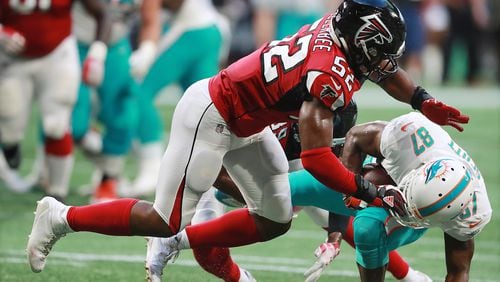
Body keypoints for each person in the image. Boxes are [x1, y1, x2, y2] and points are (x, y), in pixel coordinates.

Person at [26, 0, 469, 279]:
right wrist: (367, 192)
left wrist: (422, 100)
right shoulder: (327, 73)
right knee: (164, 219)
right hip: (212, 113)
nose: (386, 63)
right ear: (360, 40)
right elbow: (316, 159)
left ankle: (194, 235)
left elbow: (385, 71)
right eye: (378, 49)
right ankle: (61, 217)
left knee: (275, 218)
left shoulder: (338, 33)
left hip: (248, 122)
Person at [340, 111, 491, 281]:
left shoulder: (473, 212)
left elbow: (458, 272)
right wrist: (350, 189)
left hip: (419, 192)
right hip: (386, 168)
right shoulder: (408, 138)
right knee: (366, 228)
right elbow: (354, 136)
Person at [0, 0, 111, 200]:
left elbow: (103, 12)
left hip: (57, 53)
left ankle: (57, 193)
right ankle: (10, 146)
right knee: (9, 129)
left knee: (57, 125)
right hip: (11, 59)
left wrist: (97, 55)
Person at [127, 0, 231, 197]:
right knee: (206, 108)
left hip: (191, 30)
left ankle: (152, 168)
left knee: (139, 90)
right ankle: (222, 174)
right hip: (211, 29)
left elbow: (153, 12)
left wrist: (147, 49)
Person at [69, 0, 161, 203]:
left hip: (116, 47)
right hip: (74, 45)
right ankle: (90, 146)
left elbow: (150, 20)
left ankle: (108, 178)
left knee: (123, 113)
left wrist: (147, 49)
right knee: (72, 122)